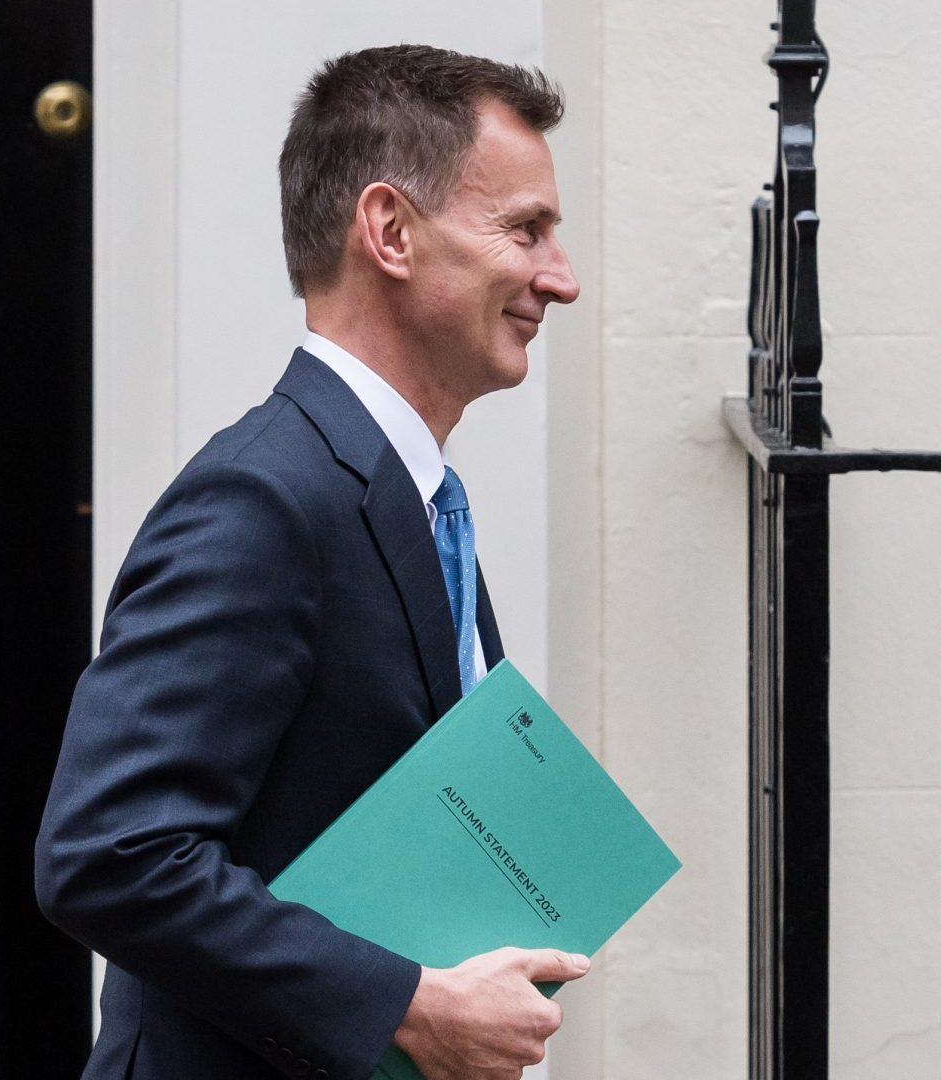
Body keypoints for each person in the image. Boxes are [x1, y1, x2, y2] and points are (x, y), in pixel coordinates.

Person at [34, 44, 583, 1080]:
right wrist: (407, 1006)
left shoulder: (408, 495)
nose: (561, 277)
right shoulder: (262, 500)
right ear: (389, 231)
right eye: (525, 230)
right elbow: (109, 856)